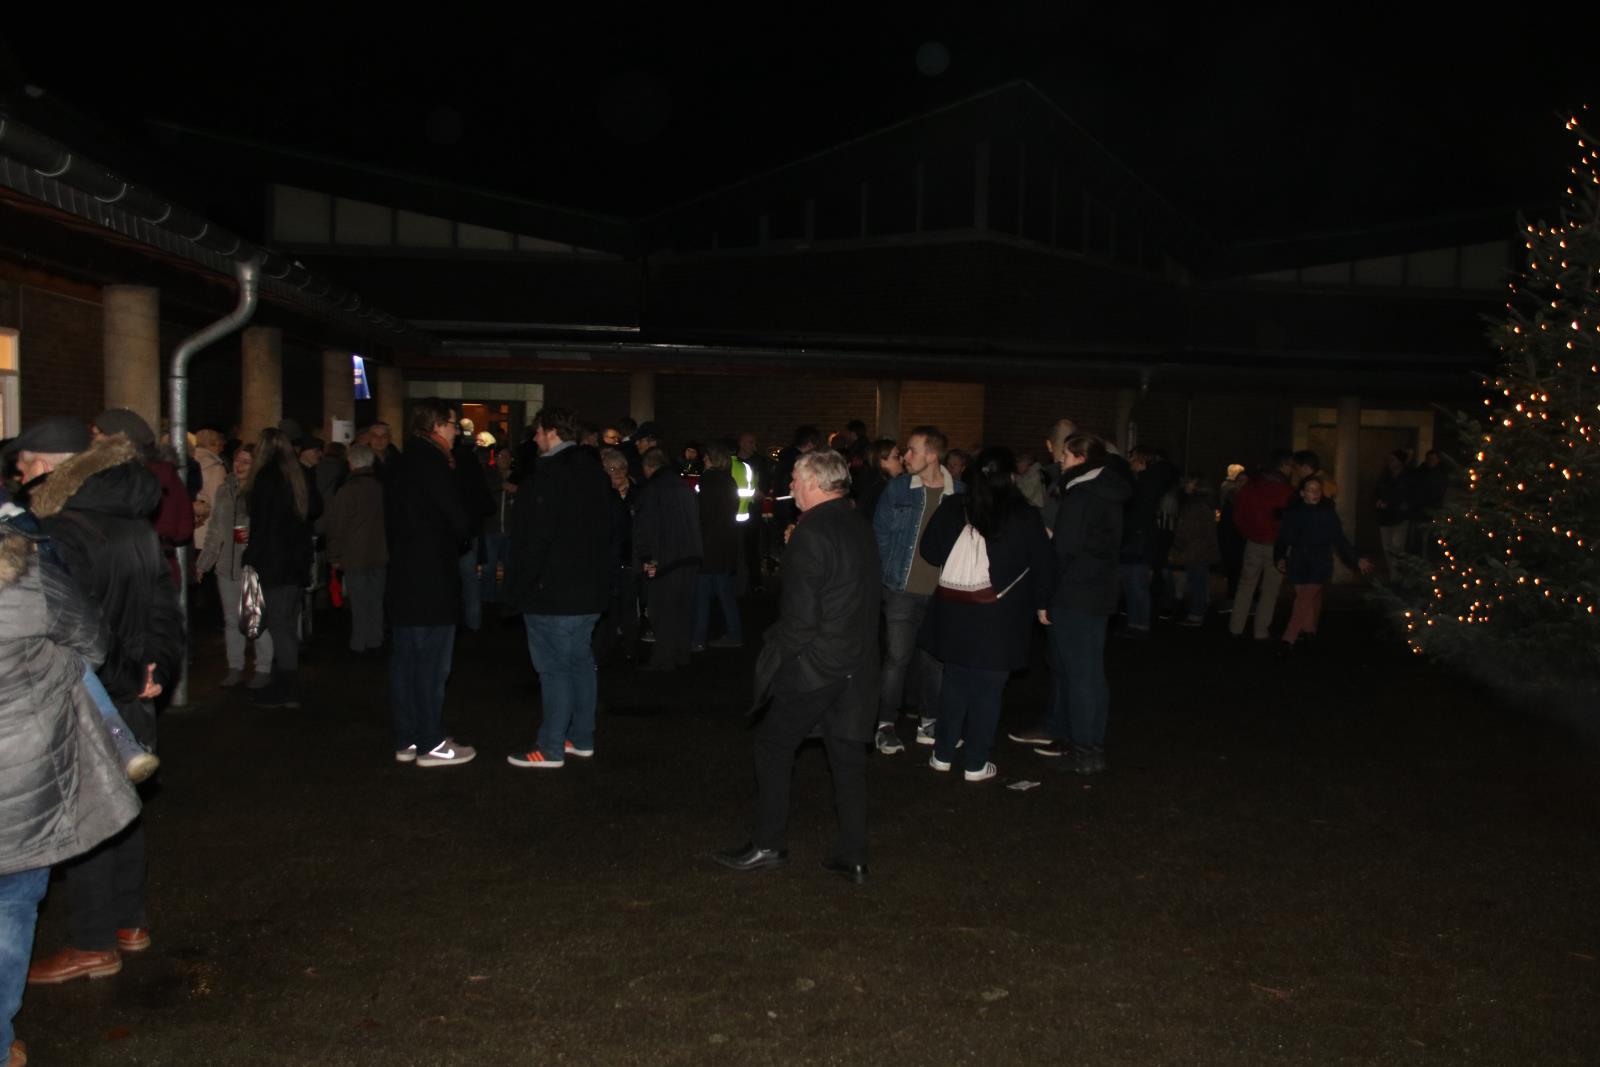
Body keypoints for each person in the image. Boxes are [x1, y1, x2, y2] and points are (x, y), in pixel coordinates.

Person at [14, 417, 183, 986]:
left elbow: (76, 628)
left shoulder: (57, 531)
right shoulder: (134, 520)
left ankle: (92, 943)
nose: (20, 479)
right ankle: (130, 922)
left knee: (86, 814)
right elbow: (164, 605)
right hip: (134, 691)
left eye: (24, 467)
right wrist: (157, 670)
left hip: (88, 694)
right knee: (125, 807)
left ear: (46, 467)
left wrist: (130, 677)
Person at [0, 505, 141, 1065]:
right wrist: (52, 671)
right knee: (11, 905)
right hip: (23, 771)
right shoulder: (25, 575)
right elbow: (93, 643)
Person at [716, 450, 879, 884]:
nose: (790, 486)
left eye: (795, 479)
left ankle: (768, 844)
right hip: (857, 662)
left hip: (818, 664)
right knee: (847, 757)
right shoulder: (858, 523)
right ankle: (854, 855)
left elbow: (801, 619)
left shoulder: (813, 532)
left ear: (816, 483)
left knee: (773, 746)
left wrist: (777, 657)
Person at [916, 447, 1054, 781]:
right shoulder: (1024, 515)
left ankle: (942, 754)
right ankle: (976, 763)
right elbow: (1043, 565)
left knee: (955, 683)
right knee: (988, 689)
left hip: (955, 611)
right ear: (1011, 477)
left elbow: (930, 551)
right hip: (1000, 617)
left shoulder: (955, 507)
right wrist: (1042, 604)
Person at [506, 406, 612, 769]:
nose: (535, 438)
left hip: (553, 592)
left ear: (552, 432)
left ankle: (550, 747)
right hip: (589, 590)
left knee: (555, 669)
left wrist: (521, 586)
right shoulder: (594, 473)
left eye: (538, 431)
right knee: (580, 663)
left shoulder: (549, 476)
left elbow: (535, 539)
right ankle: (581, 737)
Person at [385, 400, 475, 767]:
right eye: (453, 425)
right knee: (430, 666)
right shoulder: (433, 464)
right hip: (431, 582)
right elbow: (458, 520)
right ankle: (430, 742)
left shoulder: (401, 461)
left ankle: (407, 738)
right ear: (437, 425)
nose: (457, 432)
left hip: (404, 579)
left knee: (406, 664)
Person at [1039, 434, 1130, 774]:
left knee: (1078, 675)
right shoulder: (1109, 491)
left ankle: (1082, 749)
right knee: (1091, 673)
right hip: (1100, 592)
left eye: (1065, 454)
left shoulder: (1080, 494)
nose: (1061, 460)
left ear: (1079, 457)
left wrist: (1047, 595)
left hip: (1074, 594)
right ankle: (1092, 746)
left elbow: (1065, 551)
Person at [871, 425, 958, 754]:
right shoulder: (898, 489)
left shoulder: (958, 493)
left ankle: (929, 722)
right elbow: (879, 537)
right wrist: (884, 582)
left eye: (912, 451)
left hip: (942, 594)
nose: (906, 456)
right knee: (897, 659)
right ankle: (885, 725)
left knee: (935, 661)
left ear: (932, 456)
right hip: (900, 590)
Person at [241, 428, 321, 708]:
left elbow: (262, 526)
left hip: (273, 562)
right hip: (295, 562)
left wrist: (250, 558)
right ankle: (285, 683)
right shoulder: (299, 476)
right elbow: (314, 510)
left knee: (279, 625)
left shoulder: (265, 479)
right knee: (285, 623)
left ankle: (287, 687)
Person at [195, 444, 274, 687]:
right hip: (226, 566)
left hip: (251, 565)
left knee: (254, 618)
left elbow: (269, 528)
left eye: (246, 462)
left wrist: (252, 535)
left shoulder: (260, 491)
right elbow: (215, 530)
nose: (239, 466)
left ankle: (263, 667)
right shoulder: (224, 490)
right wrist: (203, 563)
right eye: (238, 460)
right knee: (231, 620)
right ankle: (235, 666)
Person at [91, 409, 193, 589]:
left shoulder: (119, 477)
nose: (94, 439)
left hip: (125, 570)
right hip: (163, 567)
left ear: (117, 438)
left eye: (99, 433)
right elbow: (183, 530)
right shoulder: (168, 474)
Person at [1274, 476, 1373, 656]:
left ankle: (1289, 638)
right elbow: (1283, 537)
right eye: (1310, 490)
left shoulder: (1327, 514)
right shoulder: (1293, 513)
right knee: (1305, 599)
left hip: (1319, 562)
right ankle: (1309, 631)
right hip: (1298, 562)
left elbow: (1340, 539)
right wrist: (1280, 557)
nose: (1315, 493)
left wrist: (1356, 559)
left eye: (1318, 490)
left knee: (1304, 600)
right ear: (1302, 493)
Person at [633, 447, 702, 671]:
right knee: (683, 609)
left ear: (648, 467)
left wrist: (647, 558)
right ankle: (681, 654)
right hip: (689, 555)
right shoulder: (684, 487)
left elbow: (646, 528)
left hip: (665, 558)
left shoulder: (652, 489)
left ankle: (663, 659)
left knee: (661, 611)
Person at [324, 443, 387, 655]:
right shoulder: (382, 487)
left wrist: (334, 555)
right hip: (380, 553)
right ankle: (375, 638)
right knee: (376, 600)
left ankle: (359, 641)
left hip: (354, 555)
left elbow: (337, 525)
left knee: (359, 602)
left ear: (350, 463)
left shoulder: (347, 490)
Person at [1228, 452, 1297, 641]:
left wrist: (1248, 533)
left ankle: (1236, 627)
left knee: (1246, 585)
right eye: (1290, 466)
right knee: (1270, 590)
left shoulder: (1251, 487)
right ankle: (1261, 631)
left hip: (1253, 543)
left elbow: (1238, 515)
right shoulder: (1286, 491)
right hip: (1276, 546)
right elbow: (1289, 522)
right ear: (1284, 466)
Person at [691, 442, 743, 651]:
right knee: (724, 593)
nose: (703, 459)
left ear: (712, 459)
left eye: (706, 457)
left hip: (708, 545)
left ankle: (698, 638)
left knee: (702, 594)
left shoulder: (708, 481)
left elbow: (702, 515)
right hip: (724, 543)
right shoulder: (729, 481)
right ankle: (734, 633)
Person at [593, 447, 638, 666]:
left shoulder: (636, 493)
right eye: (612, 469)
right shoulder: (600, 496)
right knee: (607, 609)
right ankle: (602, 651)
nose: (617, 473)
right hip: (608, 559)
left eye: (621, 468)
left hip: (628, 558)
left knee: (628, 607)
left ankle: (630, 649)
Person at [1169, 477, 1220, 626]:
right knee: (1199, 580)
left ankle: (1196, 614)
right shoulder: (1205, 503)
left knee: (1197, 581)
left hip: (1194, 549)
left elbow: (1185, 529)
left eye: (1189, 482)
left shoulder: (1193, 505)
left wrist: (1176, 547)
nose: (1186, 485)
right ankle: (1199, 610)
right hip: (1201, 548)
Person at [1374, 450, 1412, 571]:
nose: (1390, 462)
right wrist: (1378, 501)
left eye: (1393, 459)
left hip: (1399, 517)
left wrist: (1400, 506)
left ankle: (1396, 575)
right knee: (1387, 547)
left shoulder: (1408, 477)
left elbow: (1410, 495)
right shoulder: (1384, 476)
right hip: (1385, 517)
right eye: (1389, 459)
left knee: (1397, 548)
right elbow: (1377, 491)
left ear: (1400, 462)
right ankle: (1392, 573)